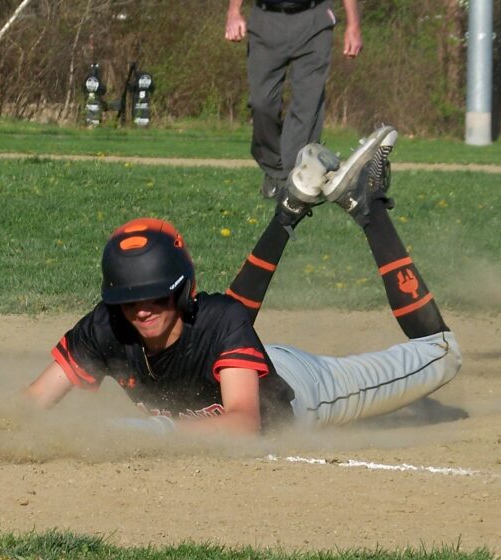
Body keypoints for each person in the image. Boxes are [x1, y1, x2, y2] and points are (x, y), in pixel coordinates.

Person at [25, 125, 462, 436]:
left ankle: (368, 206)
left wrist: (151, 431)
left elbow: (242, 422)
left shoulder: (216, 321)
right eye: (127, 300)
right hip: (236, 358)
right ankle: (291, 207)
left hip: (303, 391)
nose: (141, 309)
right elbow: (32, 403)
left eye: (156, 298)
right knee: (221, 325)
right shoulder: (107, 326)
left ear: (180, 290)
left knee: (443, 355)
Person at [225, 0, 362, 199]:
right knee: (262, 103)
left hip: (314, 20)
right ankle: (274, 169)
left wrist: (353, 25)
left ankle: (294, 179)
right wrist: (233, 11)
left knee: (307, 106)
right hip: (266, 20)